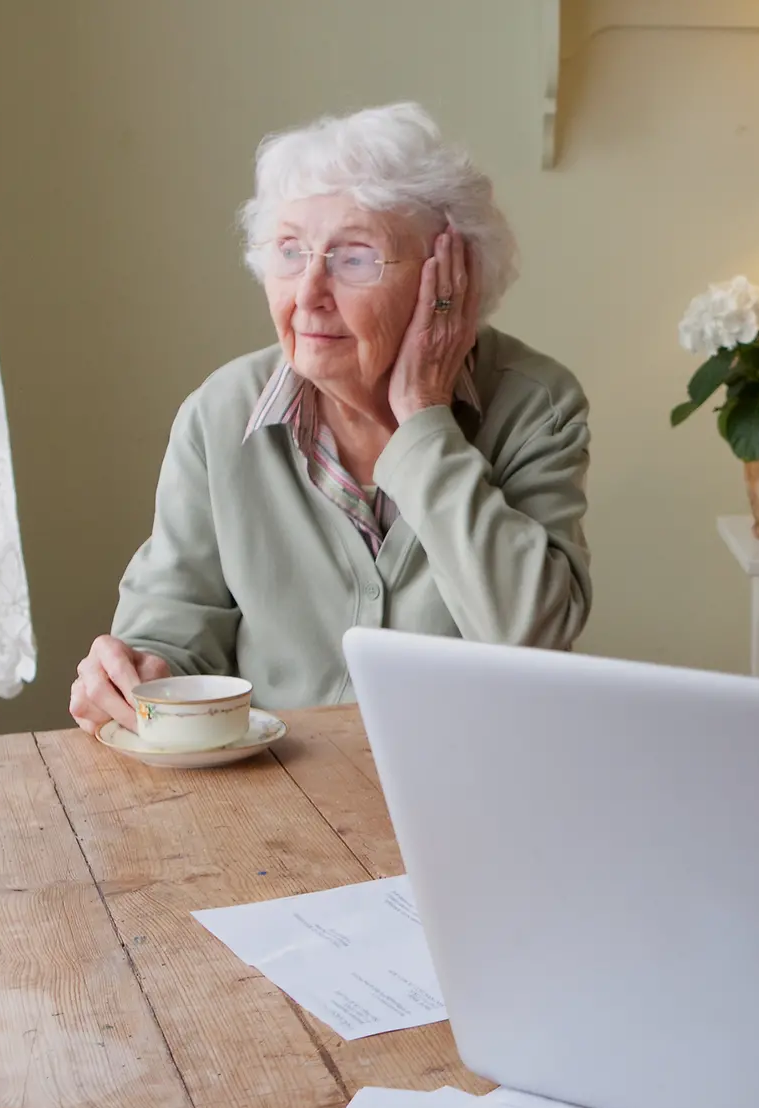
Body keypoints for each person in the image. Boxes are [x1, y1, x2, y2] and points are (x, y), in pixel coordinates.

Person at [70, 102, 590, 733]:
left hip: (469, 785)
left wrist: (423, 420)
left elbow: (533, 642)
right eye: (289, 250)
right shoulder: (221, 412)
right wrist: (140, 672)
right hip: (273, 800)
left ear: (451, 283)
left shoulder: (535, 406)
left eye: (354, 258)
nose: (308, 292)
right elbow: (176, 628)